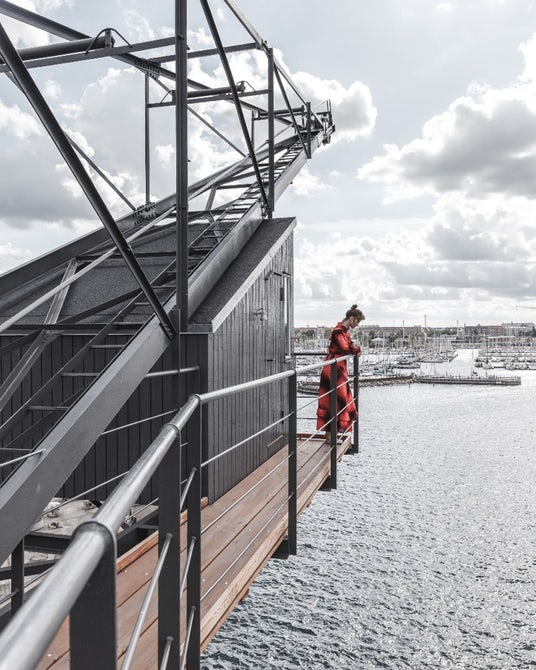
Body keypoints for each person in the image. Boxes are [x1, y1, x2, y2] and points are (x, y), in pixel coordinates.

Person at [316, 304, 365, 438]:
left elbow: (348, 346)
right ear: (351, 318)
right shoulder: (339, 331)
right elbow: (346, 348)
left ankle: (332, 437)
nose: (357, 325)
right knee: (335, 400)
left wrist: (354, 348)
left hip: (338, 368)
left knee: (338, 400)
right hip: (333, 370)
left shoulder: (343, 331)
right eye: (357, 321)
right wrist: (356, 349)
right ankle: (330, 438)